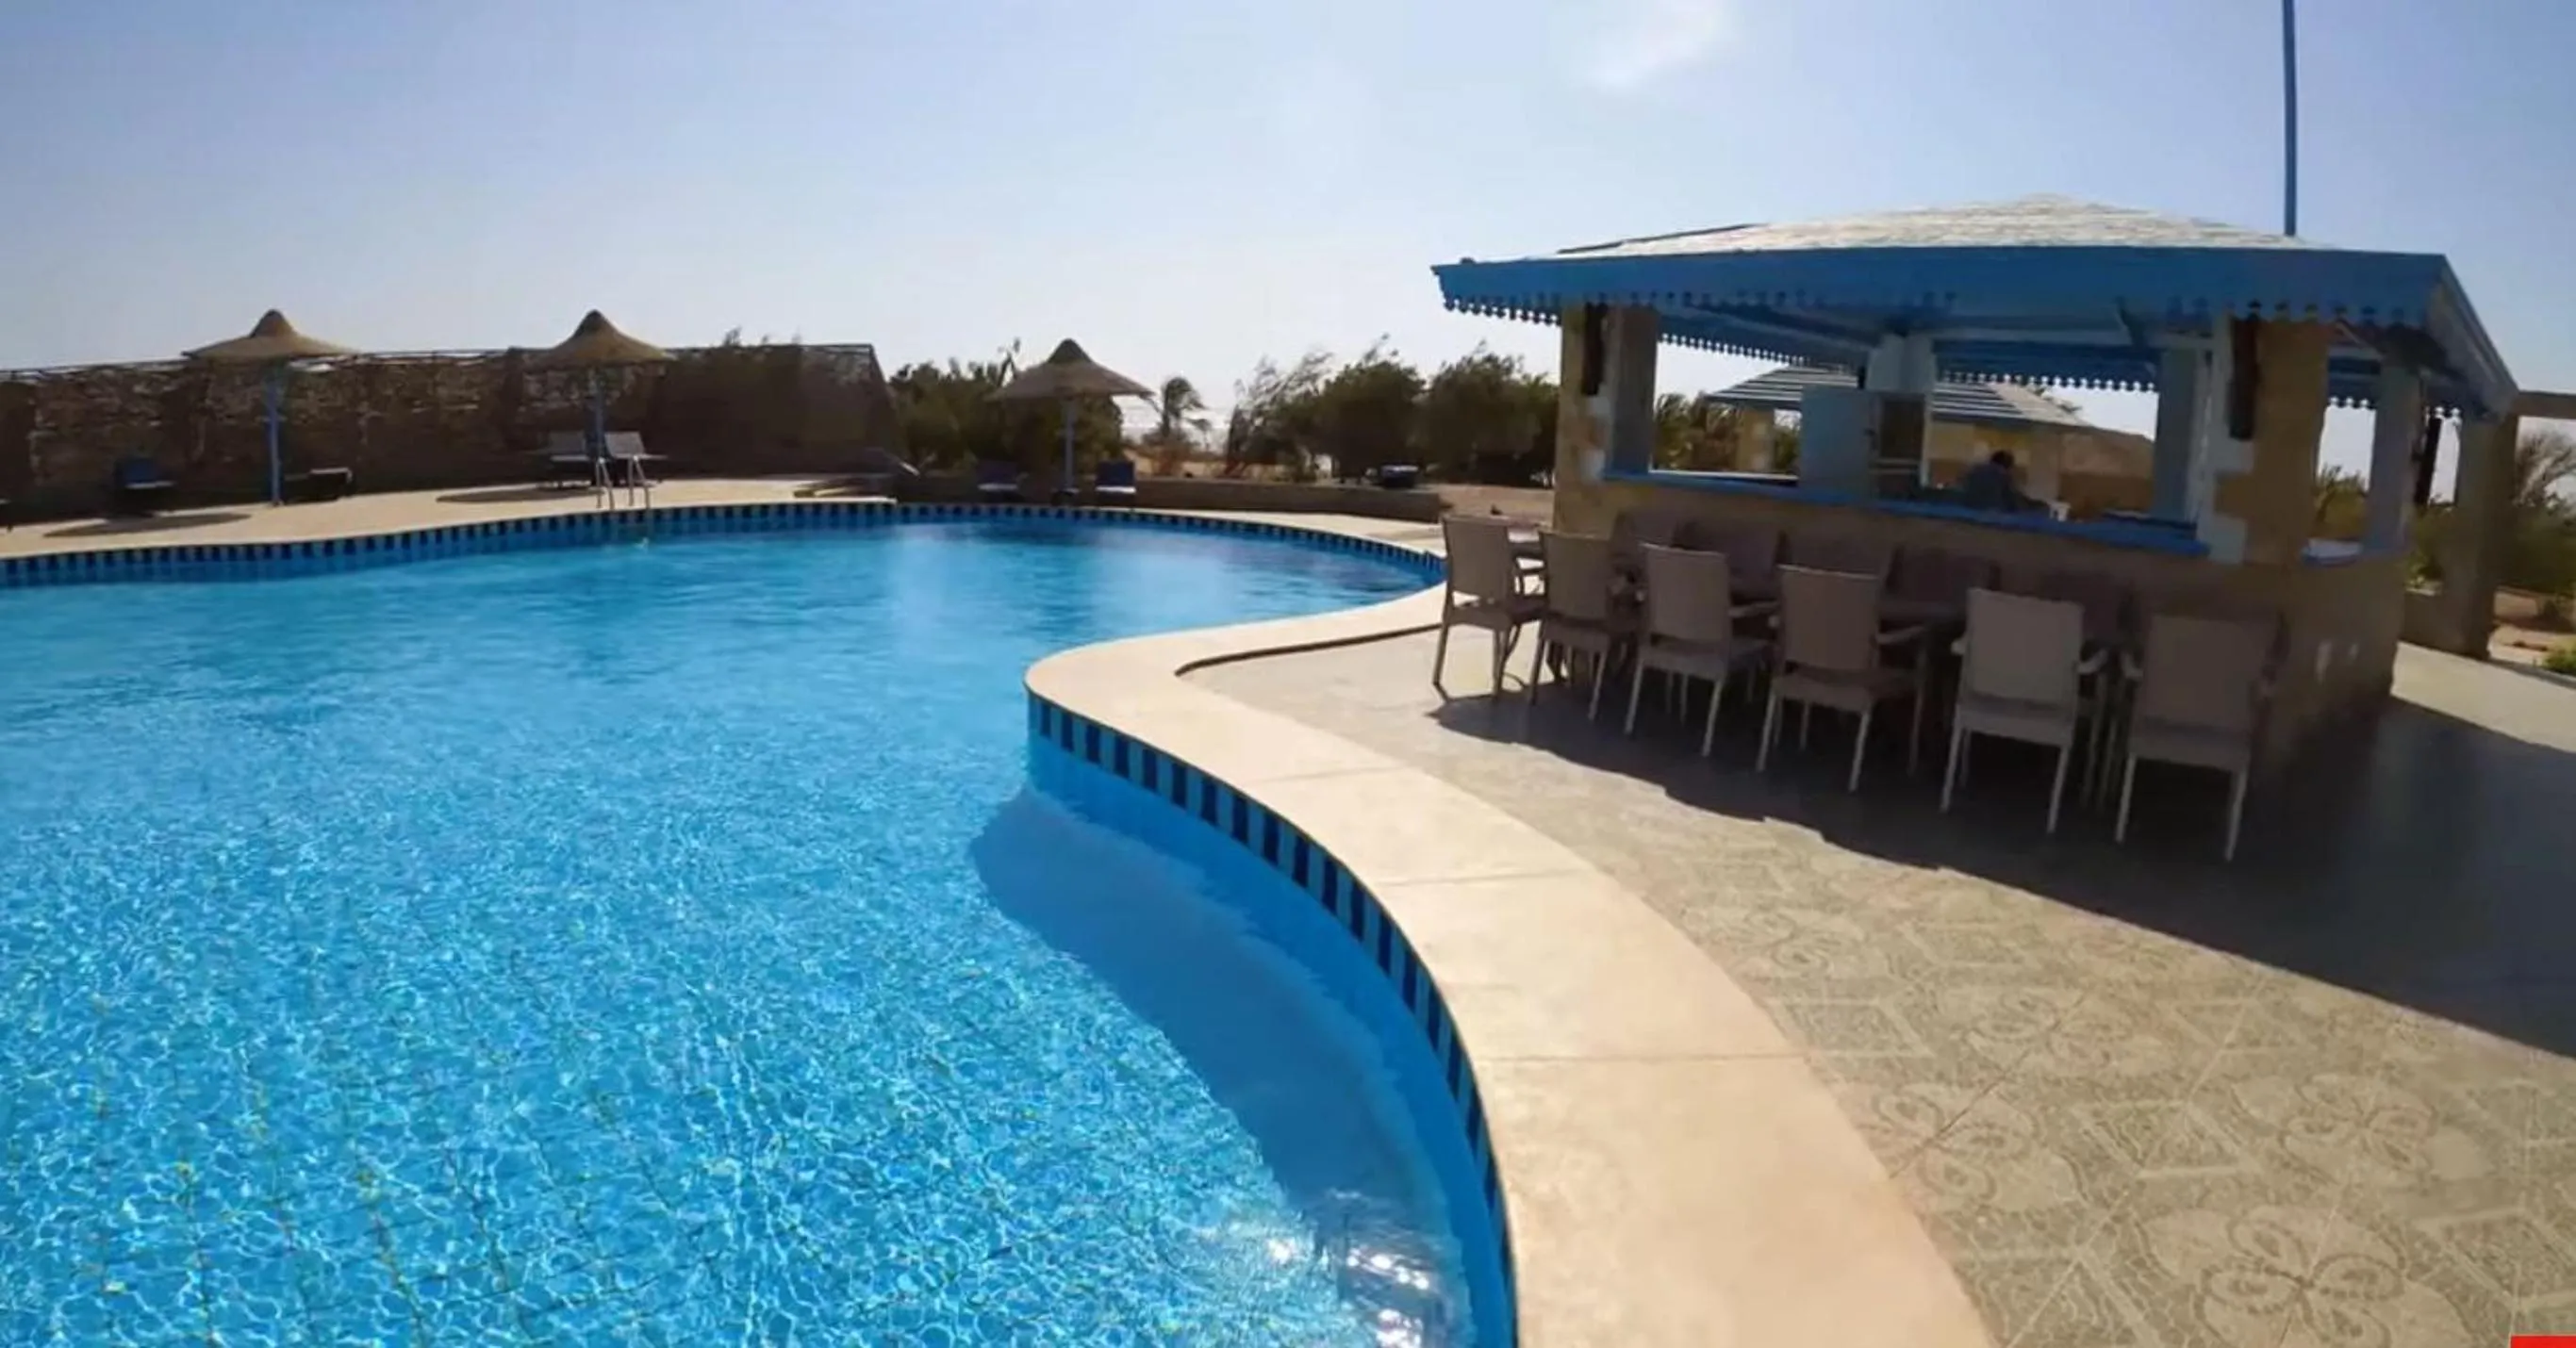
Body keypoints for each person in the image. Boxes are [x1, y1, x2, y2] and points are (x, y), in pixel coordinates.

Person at [1957, 450, 2039, 514]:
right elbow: (2015, 499)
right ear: (2008, 465)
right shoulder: (2003, 475)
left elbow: (1962, 485)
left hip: (1969, 507)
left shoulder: (1974, 470)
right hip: (1993, 513)